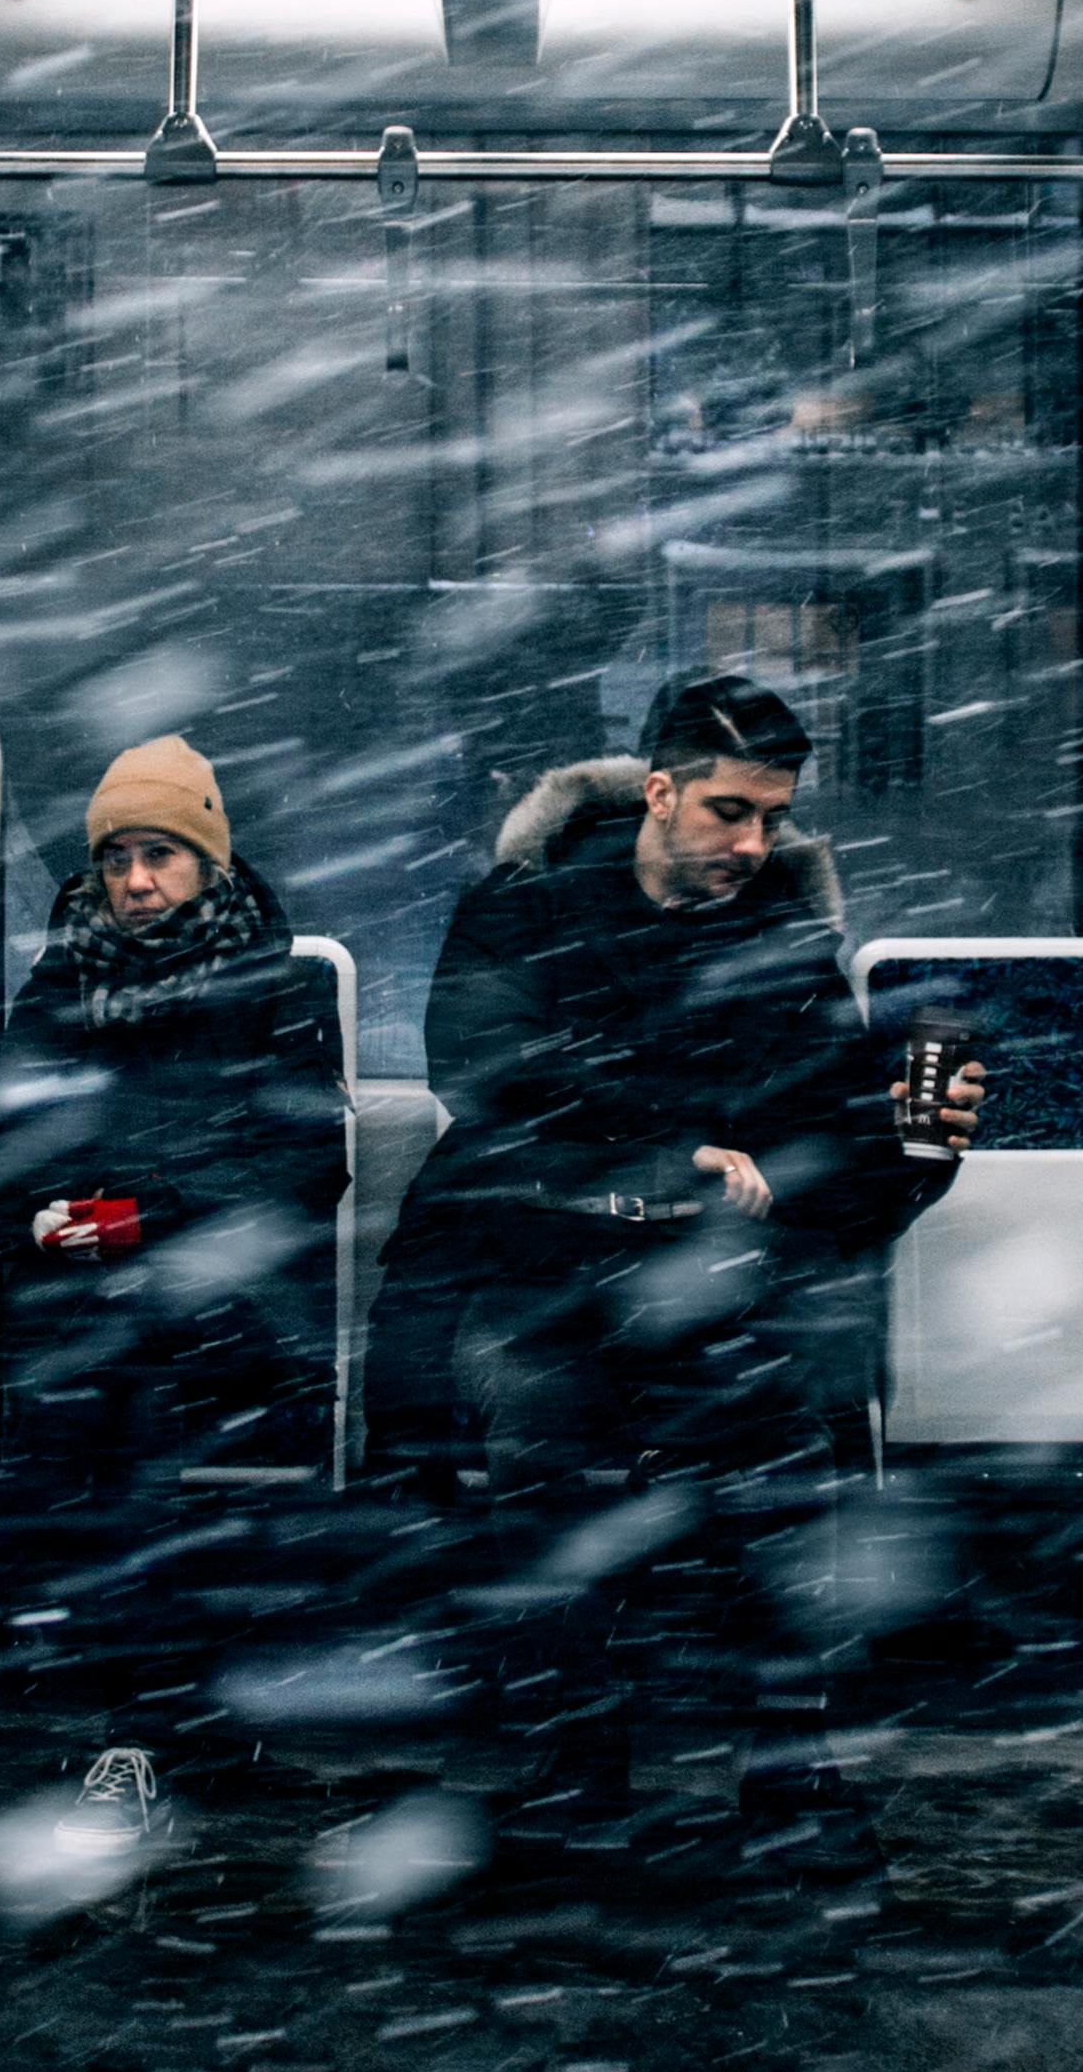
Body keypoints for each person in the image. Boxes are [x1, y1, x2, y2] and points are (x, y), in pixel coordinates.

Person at [372, 670, 978, 1856]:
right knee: (547, 1433)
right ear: (657, 793)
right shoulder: (528, 906)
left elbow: (830, 1138)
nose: (755, 842)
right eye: (729, 812)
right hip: (540, 1263)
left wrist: (922, 1143)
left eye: (773, 817)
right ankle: (574, 1750)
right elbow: (491, 1084)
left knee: (789, 1443)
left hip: (713, 1281)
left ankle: (787, 1758)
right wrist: (667, 1157)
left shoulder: (781, 938)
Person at [0, 735, 349, 1835]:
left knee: (107, 1383)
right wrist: (60, 1218)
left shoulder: (275, 989)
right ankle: (135, 1743)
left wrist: (138, 1217)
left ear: (210, 866)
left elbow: (310, 1167)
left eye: (163, 856)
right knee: (122, 1420)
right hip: (94, 1314)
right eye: (120, 857)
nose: (137, 881)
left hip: (234, 1310)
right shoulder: (62, 982)